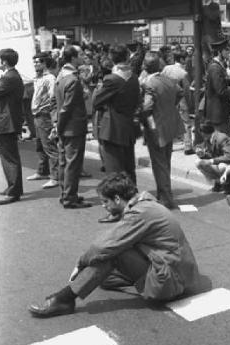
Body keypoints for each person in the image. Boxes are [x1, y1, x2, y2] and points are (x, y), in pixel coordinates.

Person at [29, 172, 199, 318]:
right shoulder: (148, 204)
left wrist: (81, 264)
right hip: (181, 276)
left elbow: (103, 247)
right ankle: (97, 282)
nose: (104, 207)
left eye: (105, 202)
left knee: (111, 255)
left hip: (169, 282)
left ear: (117, 199)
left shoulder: (140, 213)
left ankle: (64, 299)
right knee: (105, 279)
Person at [92, 44, 140, 189]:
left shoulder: (111, 79)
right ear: (127, 57)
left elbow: (96, 101)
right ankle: (132, 194)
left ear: (112, 59)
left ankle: (118, 199)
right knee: (129, 167)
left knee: (114, 169)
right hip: (128, 126)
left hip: (112, 128)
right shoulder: (134, 78)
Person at [141, 53, 185, 209]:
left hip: (156, 127)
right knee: (166, 161)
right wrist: (169, 107)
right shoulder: (167, 80)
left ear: (145, 67)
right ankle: (164, 194)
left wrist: (144, 121)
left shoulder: (149, 84)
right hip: (170, 124)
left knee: (159, 164)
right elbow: (180, 92)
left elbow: (146, 107)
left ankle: (166, 198)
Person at [52, 46, 92, 209]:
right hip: (72, 127)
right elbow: (67, 107)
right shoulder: (73, 80)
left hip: (65, 127)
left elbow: (59, 104)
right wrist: (59, 127)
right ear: (73, 58)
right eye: (80, 54)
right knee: (73, 163)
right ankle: (70, 198)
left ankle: (67, 194)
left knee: (64, 162)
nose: (83, 57)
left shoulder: (61, 76)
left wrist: (57, 126)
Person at [0, 48, 24, 205]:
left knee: (9, 157)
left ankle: (14, 191)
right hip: (6, 123)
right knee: (8, 156)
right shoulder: (10, 76)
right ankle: (13, 187)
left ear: (4, 62)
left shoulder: (8, 78)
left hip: (6, 123)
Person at [27, 53, 59, 189]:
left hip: (44, 115)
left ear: (45, 63)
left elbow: (53, 97)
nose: (35, 64)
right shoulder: (37, 78)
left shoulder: (50, 78)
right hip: (37, 115)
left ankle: (56, 177)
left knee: (50, 147)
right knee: (40, 145)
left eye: (38, 62)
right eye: (34, 62)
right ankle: (42, 171)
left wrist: (46, 110)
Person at [204, 38, 230, 136]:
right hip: (218, 110)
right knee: (223, 139)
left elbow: (220, 82)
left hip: (220, 109)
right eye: (227, 50)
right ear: (220, 52)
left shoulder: (217, 65)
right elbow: (221, 91)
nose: (229, 53)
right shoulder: (215, 68)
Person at [162, 50, 194, 155]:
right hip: (181, 100)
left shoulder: (166, 69)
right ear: (181, 59)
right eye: (185, 58)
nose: (187, 60)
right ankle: (188, 146)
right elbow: (186, 90)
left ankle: (168, 145)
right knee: (186, 123)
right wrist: (190, 103)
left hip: (167, 99)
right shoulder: (182, 72)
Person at [194, 121, 230, 191]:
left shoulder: (222, 138)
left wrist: (211, 161)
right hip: (217, 163)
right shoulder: (208, 138)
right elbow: (203, 149)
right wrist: (202, 154)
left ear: (205, 133)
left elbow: (229, 157)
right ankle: (218, 182)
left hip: (228, 164)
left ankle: (227, 183)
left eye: (202, 133)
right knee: (198, 162)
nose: (201, 135)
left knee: (222, 166)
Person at [201, 0, 223, 65]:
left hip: (213, 36)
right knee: (205, 58)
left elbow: (212, 17)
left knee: (214, 56)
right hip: (204, 36)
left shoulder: (215, 5)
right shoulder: (202, 7)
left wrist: (205, 7)